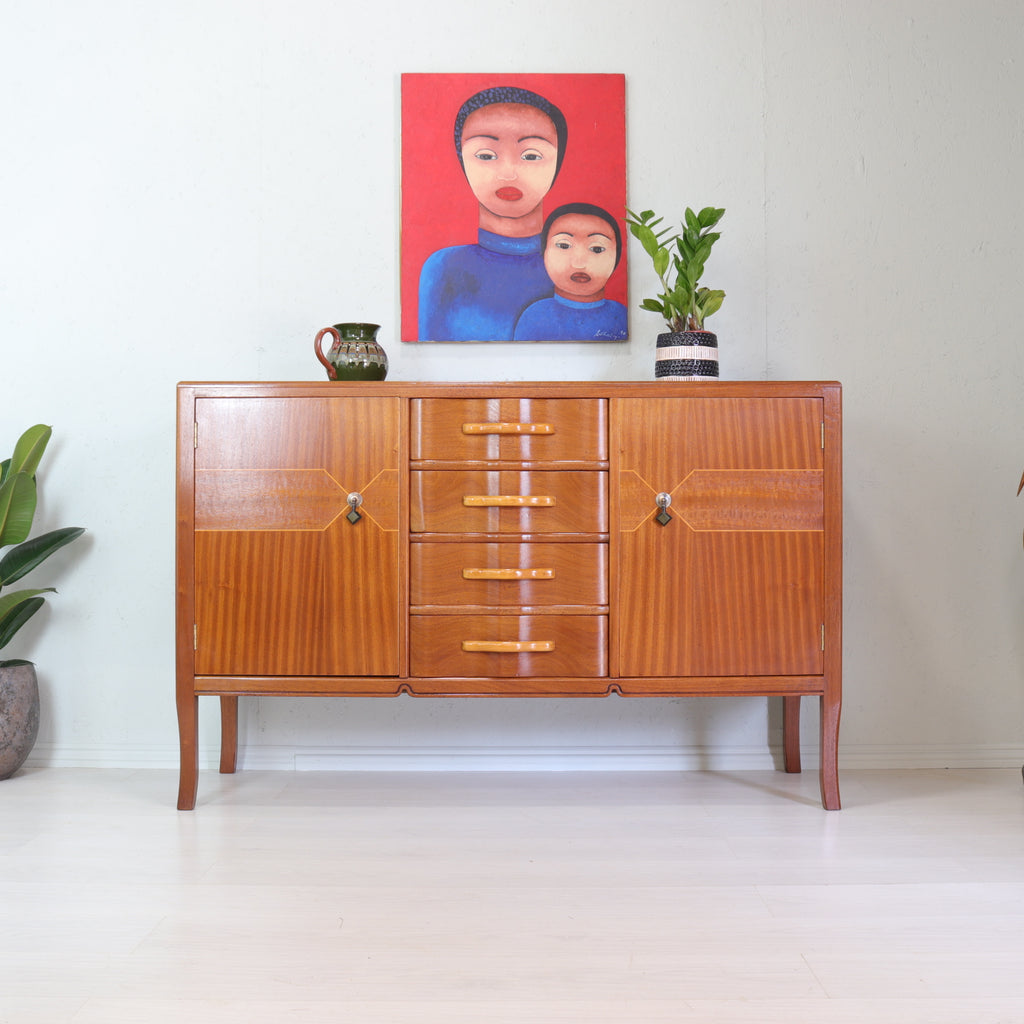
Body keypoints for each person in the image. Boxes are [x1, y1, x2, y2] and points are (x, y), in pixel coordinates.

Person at [418, 86, 568, 341]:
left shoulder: (573, 265)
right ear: (463, 161)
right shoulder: (444, 269)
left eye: (531, 155)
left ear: (558, 163)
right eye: (486, 155)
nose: (508, 173)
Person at [513, 202, 628, 341]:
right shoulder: (534, 317)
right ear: (544, 253)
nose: (578, 264)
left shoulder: (621, 316)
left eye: (597, 249)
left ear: (616, 256)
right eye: (563, 245)